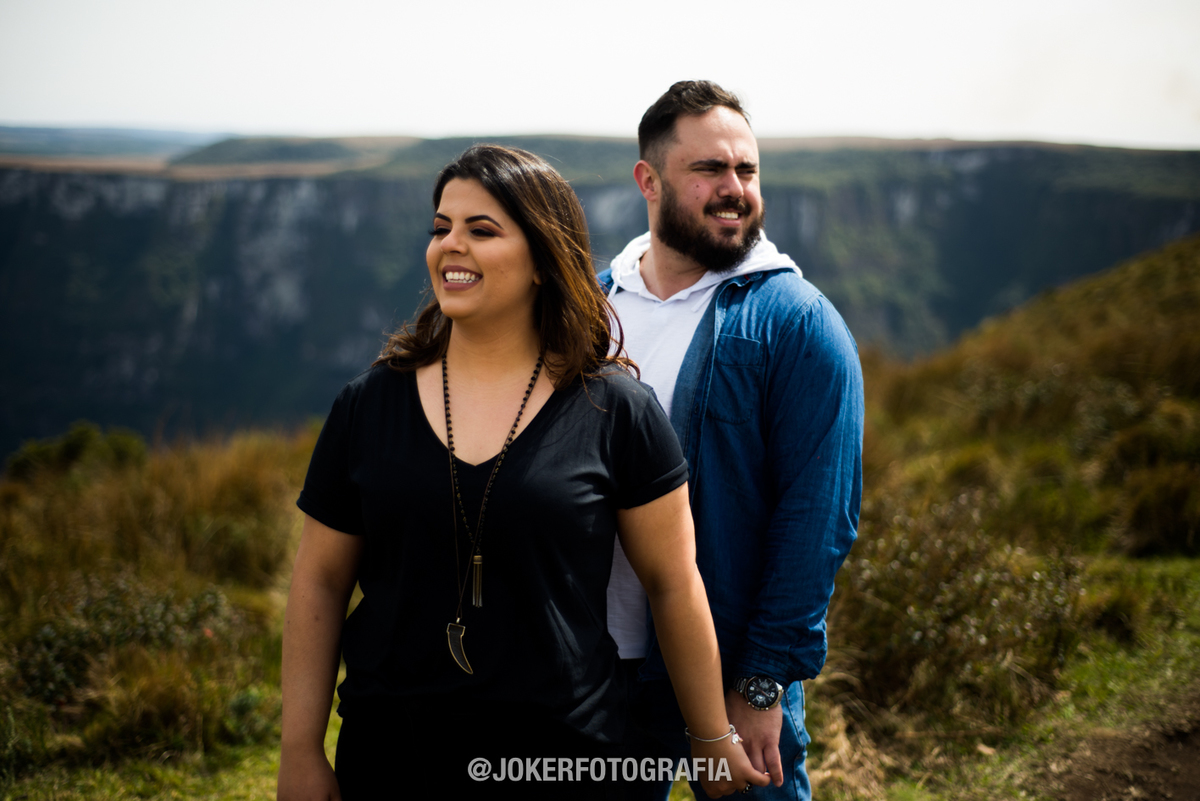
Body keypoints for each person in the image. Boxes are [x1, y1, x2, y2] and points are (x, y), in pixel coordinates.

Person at [277, 144, 767, 800]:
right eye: (440, 227)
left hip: (568, 762)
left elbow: (673, 583)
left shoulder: (617, 410)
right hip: (392, 755)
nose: (451, 245)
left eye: (482, 230)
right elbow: (319, 581)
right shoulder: (367, 406)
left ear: (542, 259)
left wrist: (709, 738)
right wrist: (300, 749)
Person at [602, 81, 864, 800]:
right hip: (598, 672)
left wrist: (762, 678)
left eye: (746, 170)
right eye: (709, 170)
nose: (734, 189)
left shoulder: (798, 322)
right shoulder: (592, 309)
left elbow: (818, 519)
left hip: (731, 674)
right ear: (648, 181)